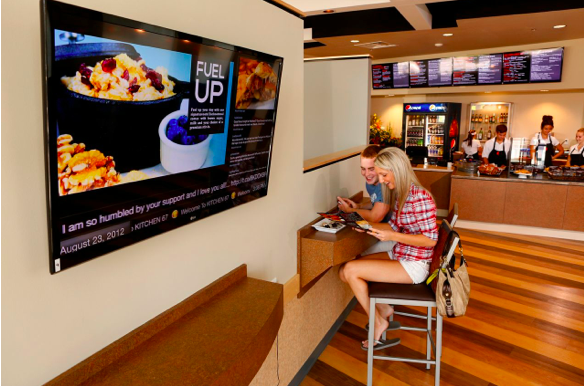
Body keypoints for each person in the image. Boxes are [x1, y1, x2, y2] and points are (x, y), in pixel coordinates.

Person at [338, 147, 438, 349]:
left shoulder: (420, 197)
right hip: (401, 255)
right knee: (343, 272)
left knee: (350, 270)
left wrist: (392, 236)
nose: (381, 180)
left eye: (384, 174)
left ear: (398, 169)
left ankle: (378, 322)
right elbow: (392, 226)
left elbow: (430, 240)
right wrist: (367, 228)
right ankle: (383, 310)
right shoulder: (402, 194)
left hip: (414, 265)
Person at [337, 145, 390, 223]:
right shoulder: (370, 183)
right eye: (363, 169)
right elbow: (376, 201)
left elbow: (375, 217)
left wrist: (349, 210)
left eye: (371, 169)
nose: (367, 174)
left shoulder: (386, 185)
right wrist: (359, 206)